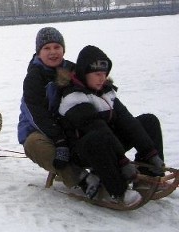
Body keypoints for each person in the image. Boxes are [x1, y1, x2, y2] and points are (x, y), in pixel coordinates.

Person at [57, 45, 165, 205]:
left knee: (148, 121)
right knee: (97, 137)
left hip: (108, 143)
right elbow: (96, 127)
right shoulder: (73, 97)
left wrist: (151, 152)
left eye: (104, 74)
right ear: (84, 74)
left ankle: (148, 175)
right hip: (84, 152)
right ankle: (118, 190)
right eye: (97, 74)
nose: (102, 78)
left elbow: (127, 121)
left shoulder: (106, 91)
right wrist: (123, 161)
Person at [17, 27, 95, 190]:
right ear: (39, 52)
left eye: (56, 47)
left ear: (63, 49)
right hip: (40, 130)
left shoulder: (72, 70)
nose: (53, 52)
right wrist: (59, 140)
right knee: (34, 143)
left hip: (69, 127)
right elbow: (37, 115)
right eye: (47, 48)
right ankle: (80, 178)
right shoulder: (34, 77)